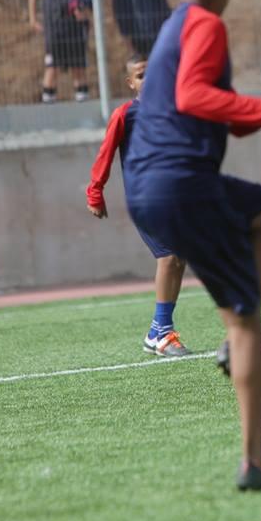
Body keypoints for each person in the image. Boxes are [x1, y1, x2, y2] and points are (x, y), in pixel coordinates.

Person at [123, 0, 261, 490]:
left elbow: (215, 115)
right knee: (246, 320)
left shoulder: (174, 26)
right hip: (180, 184)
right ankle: (256, 463)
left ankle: (238, 338)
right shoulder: (207, 24)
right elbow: (194, 97)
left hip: (148, 188)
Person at [86, 55, 190, 357]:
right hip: (144, 200)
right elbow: (105, 154)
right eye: (142, 75)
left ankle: (157, 331)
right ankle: (163, 334)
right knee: (168, 257)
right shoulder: (125, 114)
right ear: (131, 83)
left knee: (179, 258)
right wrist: (95, 193)